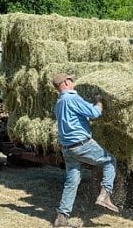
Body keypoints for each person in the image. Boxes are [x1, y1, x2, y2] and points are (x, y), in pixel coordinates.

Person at [52, 73, 119, 227]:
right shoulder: (72, 98)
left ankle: (61, 219)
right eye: (71, 79)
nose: (73, 82)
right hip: (82, 145)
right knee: (110, 161)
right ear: (67, 82)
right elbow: (95, 113)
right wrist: (99, 101)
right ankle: (105, 194)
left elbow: (75, 119)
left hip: (67, 149)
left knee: (71, 182)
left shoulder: (59, 102)